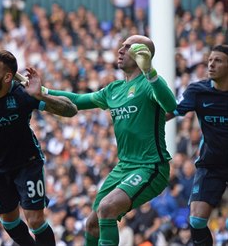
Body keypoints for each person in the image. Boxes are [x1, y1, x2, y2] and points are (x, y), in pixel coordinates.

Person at [46, 35, 177, 245]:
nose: (120, 50)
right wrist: (42, 93)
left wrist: (150, 72)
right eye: (121, 46)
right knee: (92, 224)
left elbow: (171, 106)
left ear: (143, 54)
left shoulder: (149, 83)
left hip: (151, 167)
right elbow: (78, 100)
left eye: (128, 47)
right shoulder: (113, 90)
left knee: (106, 208)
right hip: (124, 167)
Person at [0, 50, 78, 245]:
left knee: (35, 220)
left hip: (26, 163)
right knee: (9, 222)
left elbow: (70, 110)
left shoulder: (24, 96)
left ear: (8, 76)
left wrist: (42, 95)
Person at [167, 44, 228, 245]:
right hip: (211, 164)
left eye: (218, 60)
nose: (211, 64)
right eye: (210, 60)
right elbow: (171, 112)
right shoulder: (197, 90)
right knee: (196, 219)